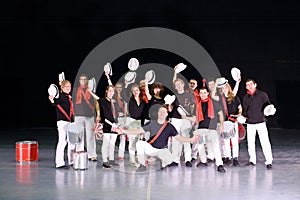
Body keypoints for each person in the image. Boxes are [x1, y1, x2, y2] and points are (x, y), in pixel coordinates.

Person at [116, 105, 199, 172]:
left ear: (167, 114)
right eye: (161, 111)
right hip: (151, 148)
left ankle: (163, 162)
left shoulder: (170, 126)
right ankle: (142, 165)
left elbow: (179, 138)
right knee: (139, 143)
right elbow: (138, 130)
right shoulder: (151, 123)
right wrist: (124, 131)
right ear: (158, 113)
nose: (162, 113)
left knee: (169, 161)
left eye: (164, 112)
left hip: (162, 150)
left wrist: (191, 140)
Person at [242, 79, 274, 170]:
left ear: (255, 85)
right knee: (250, 143)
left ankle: (269, 161)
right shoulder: (245, 97)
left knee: (265, 142)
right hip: (250, 123)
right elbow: (245, 111)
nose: (249, 86)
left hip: (261, 122)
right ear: (246, 87)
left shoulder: (263, 95)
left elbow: (268, 107)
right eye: (247, 85)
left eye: (251, 84)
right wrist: (243, 118)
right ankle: (252, 160)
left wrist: (271, 111)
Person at [194, 85, 226, 173]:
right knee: (200, 146)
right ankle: (203, 161)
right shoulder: (198, 105)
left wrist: (221, 124)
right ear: (199, 94)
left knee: (216, 147)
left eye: (205, 93)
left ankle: (220, 165)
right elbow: (195, 117)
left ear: (208, 93)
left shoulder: (214, 103)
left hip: (212, 128)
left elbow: (221, 114)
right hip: (201, 128)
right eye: (201, 93)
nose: (203, 94)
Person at [73, 73, 100, 161]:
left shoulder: (91, 90)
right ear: (79, 81)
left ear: (87, 81)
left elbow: (96, 102)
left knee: (90, 136)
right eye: (82, 79)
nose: (83, 81)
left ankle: (91, 154)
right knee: (79, 135)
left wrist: (98, 114)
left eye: (85, 79)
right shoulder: (75, 90)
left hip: (89, 115)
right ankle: (79, 153)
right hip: (78, 115)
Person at [49, 80, 75, 169]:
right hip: (62, 122)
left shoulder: (70, 97)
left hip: (71, 122)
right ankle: (59, 163)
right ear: (62, 88)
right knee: (62, 142)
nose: (68, 88)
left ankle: (72, 161)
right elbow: (55, 102)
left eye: (69, 86)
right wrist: (52, 100)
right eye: (66, 87)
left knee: (72, 142)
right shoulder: (59, 96)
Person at [219, 82, 242, 166]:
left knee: (234, 141)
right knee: (226, 141)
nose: (224, 89)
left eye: (226, 87)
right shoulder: (220, 99)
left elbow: (239, 108)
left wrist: (239, 114)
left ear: (228, 88)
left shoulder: (235, 98)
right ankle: (228, 157)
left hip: (233, 122)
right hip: (224, 122)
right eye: (223, 88)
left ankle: (235, 158)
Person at [127, 84, 148, 167]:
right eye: (133, 91)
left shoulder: (143, 101)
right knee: (132, 142)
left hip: (139, 122)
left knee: (138, 142)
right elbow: (132, 113)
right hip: (132, 122)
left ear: (139, 91)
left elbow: (143, 114)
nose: (135, 92)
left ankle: (140, 159)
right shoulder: (130, 100)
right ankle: (132, 160)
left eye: (137, 90)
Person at [99, 85, 119, 168]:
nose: (111, 92)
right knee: (106, 143)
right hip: (107, 124)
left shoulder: (114, 102)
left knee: (112, 143)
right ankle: (104, 161)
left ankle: (111, 159)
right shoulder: (103, 101)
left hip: (115, 125)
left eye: (112, 91)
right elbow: (105, 114)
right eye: (109, 90)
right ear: (106, 91)